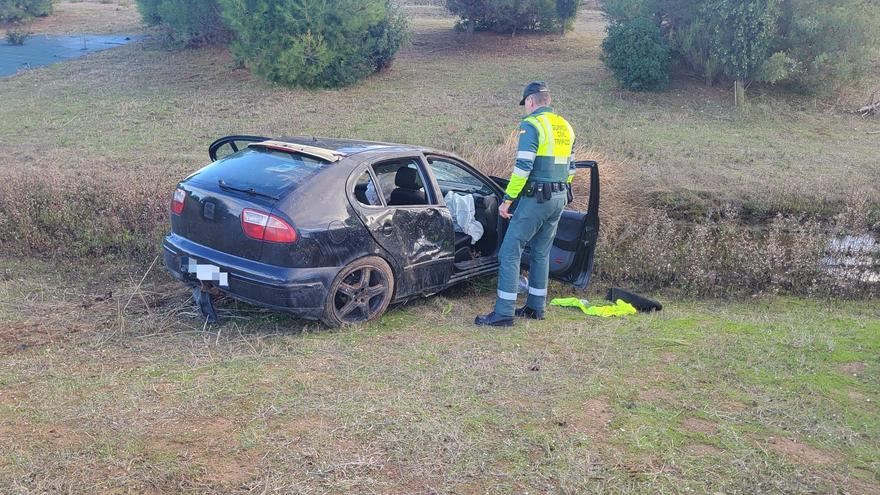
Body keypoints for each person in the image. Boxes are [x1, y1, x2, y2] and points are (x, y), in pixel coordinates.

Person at [475, 81, 576, 327]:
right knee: (541, 253)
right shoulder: (565, 126)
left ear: (530, 102)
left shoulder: (531, 125)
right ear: (548, 101)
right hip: (559, 196)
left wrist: (507, 200)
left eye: (525, 105)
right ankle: (535, 307)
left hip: (537, 198)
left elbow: (522, 168)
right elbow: (572, 168)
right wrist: (563, 188)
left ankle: (503, 313)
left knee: (510, 251)